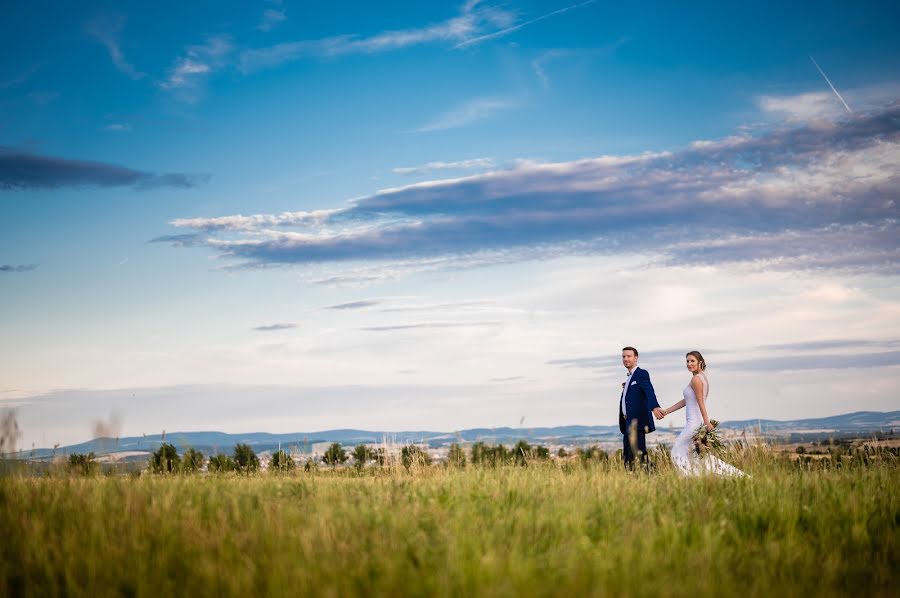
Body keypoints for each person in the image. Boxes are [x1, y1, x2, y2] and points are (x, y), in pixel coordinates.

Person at [659, 351, 744, 477]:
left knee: (677, 450)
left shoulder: (696, 379)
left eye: (692, 361)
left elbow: (700, 402)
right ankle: (702, 478)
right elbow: (686, 401)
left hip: (694, 423)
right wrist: (667, 411)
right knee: (694, 455)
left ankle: (689, 478)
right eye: (687, 361)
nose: (689, 364)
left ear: (700, 362)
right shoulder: (700, 377)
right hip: (695, 422)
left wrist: (707, 422)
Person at [617, 346, 664, 468]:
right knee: (628, 458)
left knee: (640, 456)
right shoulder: (629, 378)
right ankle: (633, 483)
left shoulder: (641, 374)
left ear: (636, 358)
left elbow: (649, 391)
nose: (626, 359)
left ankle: (652, 477)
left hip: (637, 423)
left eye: (629, 356)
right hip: (627, 423)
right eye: (624, 356)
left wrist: (654, 407)